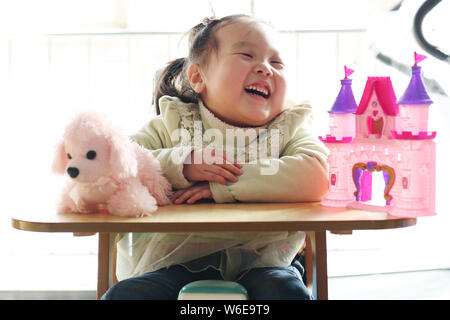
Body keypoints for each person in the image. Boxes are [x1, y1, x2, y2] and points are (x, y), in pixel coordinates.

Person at [102, 14, 329, 300]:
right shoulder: (175, 122)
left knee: (283, 292)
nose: (265, 68)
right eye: (247, 55)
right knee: (127, 296)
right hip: (174, 260)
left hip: (269, 261)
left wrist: (222, 185)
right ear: (198, 77)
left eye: (277, 62)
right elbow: (117, 163)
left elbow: (318, 173)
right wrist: (182, 163)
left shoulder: (288, 127)